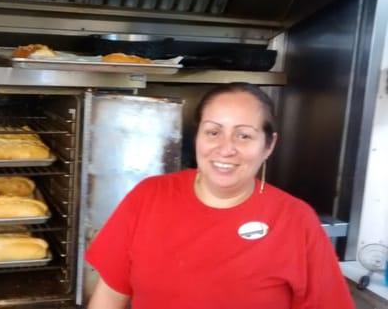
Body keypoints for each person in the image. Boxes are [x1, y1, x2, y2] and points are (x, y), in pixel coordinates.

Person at [85, 83, 355, 309]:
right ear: (198, 137)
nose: (226, 149)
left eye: (244, 136)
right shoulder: (150, 196)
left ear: (269, 145)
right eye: (213, 132)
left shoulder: (295, 219)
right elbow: (109, 295)